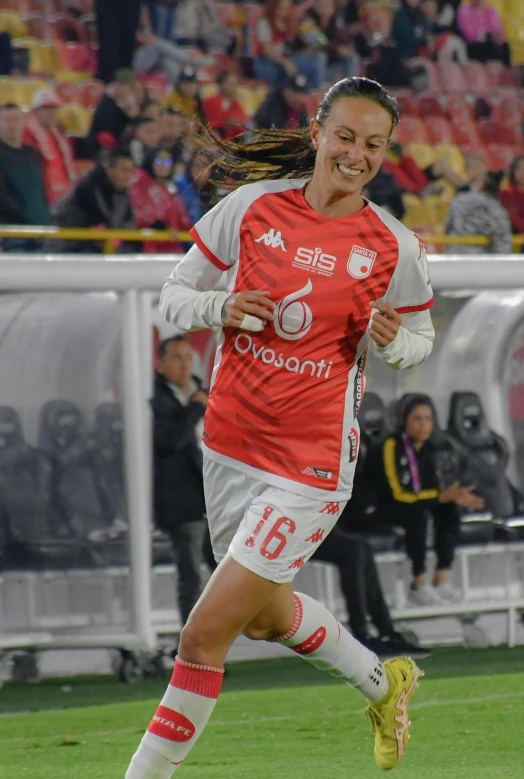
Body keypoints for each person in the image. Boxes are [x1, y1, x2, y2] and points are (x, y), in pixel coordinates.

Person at [125, 76, 436, 779]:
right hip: (230, 444)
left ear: (385, 153)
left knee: (204, 634)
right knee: (264, 618)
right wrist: (221, 306)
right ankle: (384, 684)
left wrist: (392, 341)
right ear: (319, 132)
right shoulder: (251, 207)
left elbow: (419, 340)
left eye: (374, 144)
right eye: (346, 137)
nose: (357, 154)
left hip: (310, 464)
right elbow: (173, 295)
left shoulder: (392, 246)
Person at [366, 395, 484, 606]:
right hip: (377, 510)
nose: (423, 425)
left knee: (448, 511)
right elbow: (397, 495)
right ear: (404, 421)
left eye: (428, 419)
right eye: (417, 419)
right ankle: (418, 583)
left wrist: (455, 497)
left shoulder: (428, 450)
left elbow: (431, 491)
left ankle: (441, 579)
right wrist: (440, 496)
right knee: (416, 515)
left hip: (408, 506)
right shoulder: (389, 447)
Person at [152, 336, 209, 627]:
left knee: (228, 569)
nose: (185, 365)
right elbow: (169, 440)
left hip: (213, 496)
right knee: (192, 574)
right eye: (177, 358)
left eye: (189, 358)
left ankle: (221, 635)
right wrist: (196, 408)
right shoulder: (153, 396)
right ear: (160, 362)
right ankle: (192, 646)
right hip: (181, 501)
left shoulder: (202, 391)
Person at [312, 524, 430, 658]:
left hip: (312, 527)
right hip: (292, 534)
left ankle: (386, 633)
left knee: (363, 548)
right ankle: (362, 635)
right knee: (354, 550)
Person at [48, 148, 135, 253]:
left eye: (130, 171)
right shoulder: (88, 187)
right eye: (124, 170)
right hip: (69, 248)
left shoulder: (122, 193)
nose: (127, 176)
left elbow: (128, 226)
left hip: (99, 248)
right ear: (109, 169)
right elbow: (95, 222)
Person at [0, 103, 50, 250]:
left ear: (23, 122)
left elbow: (41, 191)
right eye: (6, 120)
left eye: (15, 119)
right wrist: (27, 217)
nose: (12, 125)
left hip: (40, 229)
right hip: (11, 233)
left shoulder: (33, 154)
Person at [130, 147, 192, 253]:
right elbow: (141, 217)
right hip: (147, 247)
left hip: (172, 247)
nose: (163, 165)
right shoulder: (139, 185)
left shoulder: (173, 190)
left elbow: (184, 221)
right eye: (159, 160)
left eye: (167, 162)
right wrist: (162, 227)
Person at [22, 88, 76, 205]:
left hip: (63, 196)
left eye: (54, 109)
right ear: (35, 111)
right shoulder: (26, 134)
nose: (52, 113)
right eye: (46, 109)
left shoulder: (59, 134)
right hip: (43, 198)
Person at [445, 170, 513, 255]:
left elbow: (449, 228)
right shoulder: (496, 208)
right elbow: (502, 239)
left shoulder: (458, 201)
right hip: (483, 261)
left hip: (456, 257)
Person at [86, 69, 140, 158]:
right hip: (101, 148)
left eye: (122, 85)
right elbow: (107, 126)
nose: (118, 88)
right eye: (117, 84)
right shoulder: (107, 102)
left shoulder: (131, 102)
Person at [456, 0, 510, 66]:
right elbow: (469, 34)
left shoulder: (491, 11)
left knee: (504, 46)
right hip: (474, 45)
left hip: (491, 42)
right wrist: (485, 34)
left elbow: (497, 28)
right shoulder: (464, 12)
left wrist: (496, 36)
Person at [201, 70, 248, 141]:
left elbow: (242, 123)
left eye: (235, 84)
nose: (234, 87)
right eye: (230, 83)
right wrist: (227, 125)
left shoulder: (236, 104)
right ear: (221, 84)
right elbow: (210, 124)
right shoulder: (210, 102)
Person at [500, 156, 524, 236]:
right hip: (514, 238)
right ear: (513, 171)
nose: (522, 172)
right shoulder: (506, 194)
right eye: (519, 169)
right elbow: (512, 218)